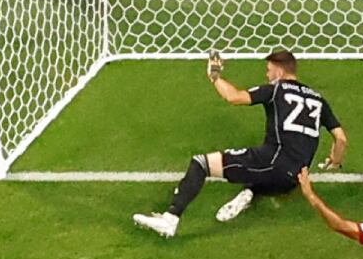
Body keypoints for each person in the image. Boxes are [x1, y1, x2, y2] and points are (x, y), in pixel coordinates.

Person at [133, 50, 347, 237]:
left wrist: (214, 75)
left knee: (201, 163)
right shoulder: (318, 98)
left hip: (272, 161)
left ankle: (169, 219)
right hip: (295, 179)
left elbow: (234, 97)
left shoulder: (275, 89)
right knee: (264, 173)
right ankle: (250, 193)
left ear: (279, 73)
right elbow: (341, 139)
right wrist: (334, 161)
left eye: (269, 70)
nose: (267, 74)